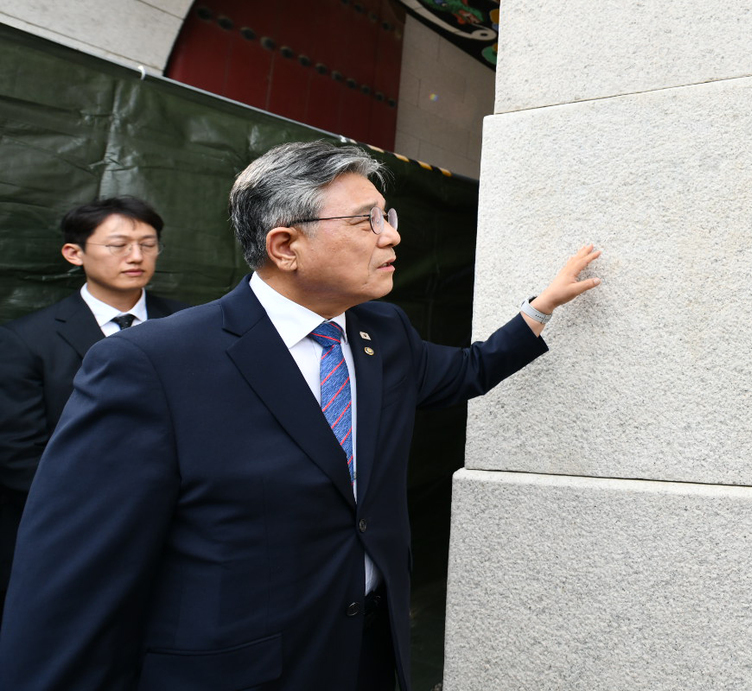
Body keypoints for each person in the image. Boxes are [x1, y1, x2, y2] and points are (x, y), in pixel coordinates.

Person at [0, 141, 601, 690]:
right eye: (365, 221)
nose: (390, 237)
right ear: (285, 245)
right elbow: (74, 580)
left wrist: (540, 309)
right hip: (238, 668)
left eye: (387, 216)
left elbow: (466, 372)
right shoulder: (151, 364)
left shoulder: (382, 333)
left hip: (368, 651)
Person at [0, 196, 186, 625]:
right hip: (74, 532)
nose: (136, 256)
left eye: (148, 243)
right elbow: (18, 456)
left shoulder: (187, 323)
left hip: (179, 524)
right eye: (118, 245)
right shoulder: (26, 341)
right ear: (74, 253)